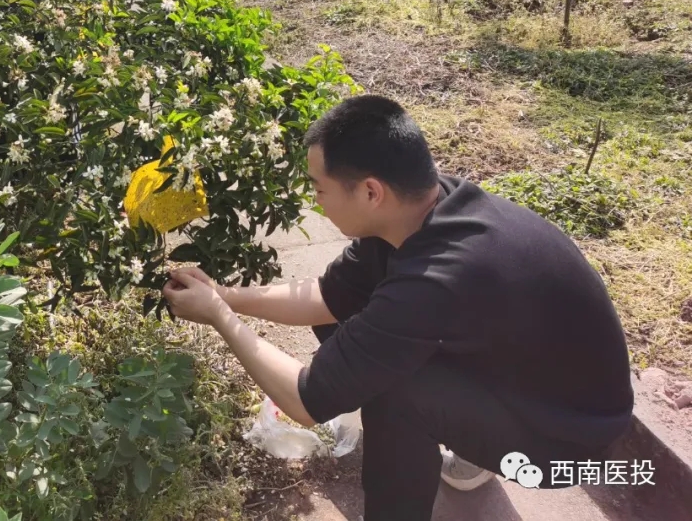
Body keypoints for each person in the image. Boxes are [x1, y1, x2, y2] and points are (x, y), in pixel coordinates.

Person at [162, 94, 634, 521]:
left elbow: (306, 402)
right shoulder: (419, 210)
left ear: (370, 192)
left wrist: (219, 317)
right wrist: (224, 294)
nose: (315, 201)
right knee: (354, 331)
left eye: (319, 188)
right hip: (534, 384)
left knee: (397, 394)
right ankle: (474, 444)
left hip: (570, 441)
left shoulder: (438, 277)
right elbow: (326, 298)